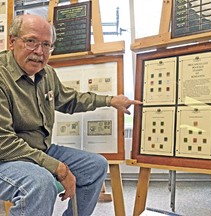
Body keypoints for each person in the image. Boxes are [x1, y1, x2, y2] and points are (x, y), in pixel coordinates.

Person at [0, 14, 141, 215]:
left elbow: (70, 100)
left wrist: (110, 101)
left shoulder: (46, 73)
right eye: (31, 41)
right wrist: (59, 168)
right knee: (40, 184)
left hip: (39, 149)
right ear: (13, 42)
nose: (39, 52)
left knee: (95, 166)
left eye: (46, 45)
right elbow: (3, 143)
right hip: (5, 156)